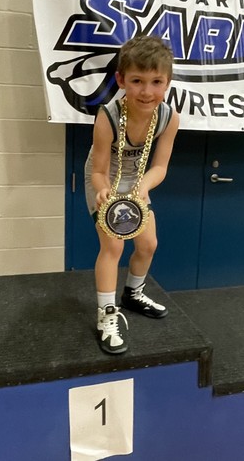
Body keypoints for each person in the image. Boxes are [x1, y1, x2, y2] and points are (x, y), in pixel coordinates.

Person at [84, 35, 180, 354]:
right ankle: (106, 314)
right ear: (121, 79)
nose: (146, 91)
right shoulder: (108, 116)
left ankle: (133, 294)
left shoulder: (169, 117)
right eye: (137, 81)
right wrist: (103, 191)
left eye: (156, 82)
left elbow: (160, 167)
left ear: (167, 82)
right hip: (104, 179)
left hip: (137, 182)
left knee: (148, 244)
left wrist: (143, 187)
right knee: (113, 245)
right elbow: (98, 170)